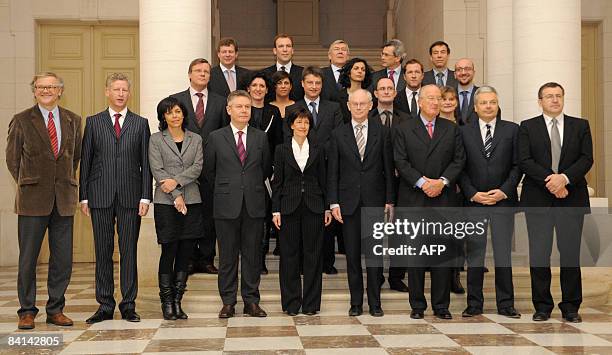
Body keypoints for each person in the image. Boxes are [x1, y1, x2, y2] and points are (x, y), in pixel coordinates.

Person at [6, 72, 82, 330]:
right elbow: (12, 160)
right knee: (28, 258)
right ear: (34, 91)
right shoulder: (21, 120)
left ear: (60, 90)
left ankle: (56, 309)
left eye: (51, 87)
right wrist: (30, 182)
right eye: (41, 87)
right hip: (32, 201)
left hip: (63, 200)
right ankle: (27, 311)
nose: (46, 90)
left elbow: (75, 158)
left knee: (62, 259)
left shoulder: (73, 120)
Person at [80, 73, 152, 324]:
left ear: (129, 93)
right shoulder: (94, 122)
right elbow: (86, 161)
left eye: (124, 90)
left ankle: (129, 304)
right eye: (116, 89)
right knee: (103, 250)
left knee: (128, 250)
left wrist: (146, 196)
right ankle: (105, 305)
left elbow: (146, 162)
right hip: (99, 195)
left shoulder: (141, 124)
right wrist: (84, 197)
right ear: (107, 92)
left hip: (131, 197)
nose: (120, 93)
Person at [519, 82, 593, 323]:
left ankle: (571, 306)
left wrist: (564, 179)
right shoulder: (527, 126)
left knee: (570, 253)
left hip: (571, 198)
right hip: (538, 198)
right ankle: (542, 306)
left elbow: (586, 159)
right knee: (539, 253)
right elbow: (524, 160)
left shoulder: (580, 125)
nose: (554, 100)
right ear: (539, 101)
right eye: (549, 96)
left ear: (563, 98)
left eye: (558, 96)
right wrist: (551, 181)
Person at [394, 84, 465, 320]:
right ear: (420, 102)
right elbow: (401, 162)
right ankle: (417, 305)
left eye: (439, 98)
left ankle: (441, 305)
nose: (435, 102)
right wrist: (423, 183)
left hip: (443, 200)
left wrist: (442, 182)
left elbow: (458, 160)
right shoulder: (404, 129)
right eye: (431, 98)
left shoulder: (451, 129)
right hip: (414, 200)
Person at [204, 90, 273, 319]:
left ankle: (252, 302)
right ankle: (228, 302)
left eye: (248, 107)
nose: (244, 110)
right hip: (226, 205)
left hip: (253, 204)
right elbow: (209, 172)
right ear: (229, 109)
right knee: (227, 257)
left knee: (253, 256)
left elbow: (265, 169)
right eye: (240, 106)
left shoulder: (260, 137)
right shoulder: (215, 137)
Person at [328, 89, 395, 317]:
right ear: (348, 106)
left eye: (362, 104)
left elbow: (388, 168)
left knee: (375, 256)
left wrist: (389, 200)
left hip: (375, 202)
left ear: (370, 105)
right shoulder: (338, 134)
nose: (358, 107)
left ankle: (375, 303)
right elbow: (333, 172)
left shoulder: (382, 132)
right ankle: (356, 302)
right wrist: (333, 203)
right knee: (353, 257)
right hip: (348, 204)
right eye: (354, 104)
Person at [459, 86, 521, 318]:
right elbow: (460, 167)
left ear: (498, 105)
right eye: (483, 103)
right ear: (475, 107)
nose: (488, 106)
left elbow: (518, 166)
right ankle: (474, 304)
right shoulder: (463, 132)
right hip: (474, 202)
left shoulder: (512, 130)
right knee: (475, 255)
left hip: (503, 202)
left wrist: (504, 191)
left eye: (492, 102)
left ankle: (506, 304)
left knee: (503, 254)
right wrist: (472, 193)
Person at [271, 107, 332, 316]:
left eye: (306, 122)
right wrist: (275, 210)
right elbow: (277, 182)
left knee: (314, 256)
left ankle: (311, 304)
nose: (303, 126)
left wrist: (327, 207)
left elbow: (324, 180)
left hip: (314, 206)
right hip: (288, 207)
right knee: (289, 256)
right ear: (291, 125)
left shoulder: (318, 147)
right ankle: (291, 303)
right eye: (299, 122)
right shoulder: (281, 149)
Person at [170, 58, 228, 275]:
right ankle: (187, 260)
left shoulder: (221, 101)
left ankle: (206, 258)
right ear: (189, 74)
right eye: (198, 71)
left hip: (212, 168)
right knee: (186, 214)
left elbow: (225, 134)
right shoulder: (176, 100)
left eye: (206, 71)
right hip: (182, 169)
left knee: (209, 215)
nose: (203, 74)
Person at [149, 97, 204, 320]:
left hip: (192, 201)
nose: (175, 115)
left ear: (184, 114)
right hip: (165, 202)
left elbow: (197, 167)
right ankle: (167, 302)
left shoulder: (196, 139)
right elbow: (157, 169)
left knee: (185, 253)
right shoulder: (155, 140)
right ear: (163, 116)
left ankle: (178, 302)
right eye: (170, 112)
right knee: (169, 251)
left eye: (178, 111)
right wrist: (175, 195)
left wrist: (177, 183)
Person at [286, 66, 343, 274]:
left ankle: (327, 262)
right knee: (304, 217)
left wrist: (318, 151)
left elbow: (338, 136)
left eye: (318, 83)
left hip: (328, 166)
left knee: (325, 214)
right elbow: (290, 137)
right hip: (302, 169)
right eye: (310, 82)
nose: (314, 86)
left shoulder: (334, 107)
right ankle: (303, 263)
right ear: (302, 84)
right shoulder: (294, 108)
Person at [246, 72, 284, 274]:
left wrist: (276, 169)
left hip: (267, 173)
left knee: (263, 217)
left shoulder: (274, 112)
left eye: (262, 86)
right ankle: (249, 258)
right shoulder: (242, 109)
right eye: (255, 85)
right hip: (245, 171)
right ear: (249, 89)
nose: (258, 89)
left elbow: (279, 141)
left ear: (267, 90)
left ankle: (260, 260)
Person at [438, 85, 465, 294]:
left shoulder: (465, 127)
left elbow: (463, 159)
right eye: (443, 98)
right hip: (435, 189)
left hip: (458, 189)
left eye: (451, 99)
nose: (447, 102)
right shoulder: (430, 125)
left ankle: (454, 276)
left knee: (455, 237)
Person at [262, 34, 304, 102]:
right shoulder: (264, 74)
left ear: (292, 50)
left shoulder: (303, 73)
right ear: (275, 51)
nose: (285, 50)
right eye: (281, 46)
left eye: (288, 46)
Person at [338, 58, 373, 123]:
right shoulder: (338, 96)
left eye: (363, 70)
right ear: (349, 73)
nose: (360, 71)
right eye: (356, 68)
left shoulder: (370, 96)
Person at [454, 58, 478, 125]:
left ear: (473, 72)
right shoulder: (449, 95)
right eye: (459, 70)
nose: (463, 73)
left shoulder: (483, 94)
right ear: (455, 74)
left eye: (467, 69)